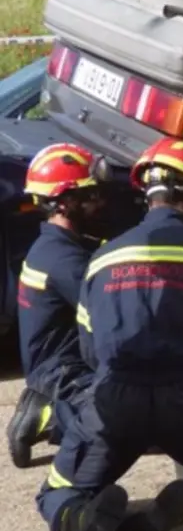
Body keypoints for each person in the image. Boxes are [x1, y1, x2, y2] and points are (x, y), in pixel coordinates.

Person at [35, 138, 183, 531]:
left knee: (58, 491)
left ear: (146, 194)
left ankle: (82, 520)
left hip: (114, 400)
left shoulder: (102, 258)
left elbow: (90, 350)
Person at [6, 144, 104, 469]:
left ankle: (45, 402)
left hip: (54, 367)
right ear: (64, 202)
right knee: (131, 412)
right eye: (89, 195)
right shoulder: (64, 260)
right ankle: (49, 415)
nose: (99, 202)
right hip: (64, 373)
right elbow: (110, 315)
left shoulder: (53, 245)